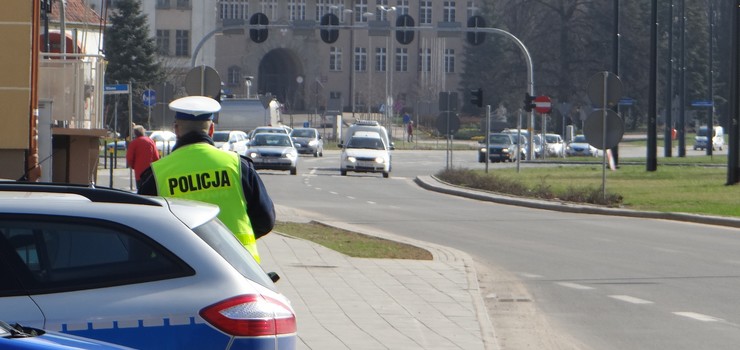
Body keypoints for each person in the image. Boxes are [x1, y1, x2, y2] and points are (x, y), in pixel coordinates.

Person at [137, 96, 275, 263]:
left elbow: (142, 231)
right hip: (240, 269)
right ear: (211, 130)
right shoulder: (238, 166)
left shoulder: (157, 174)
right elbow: (265, 220)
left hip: (184, 272)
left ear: (176, 130)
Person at [126, 124, 160, 189]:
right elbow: (156, 157)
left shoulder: (134, 143)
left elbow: (129, 158)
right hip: (150, 172)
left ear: (135, 134)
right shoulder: (150, 141)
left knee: (140, 191)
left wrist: (133, 166)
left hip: (139, 172)